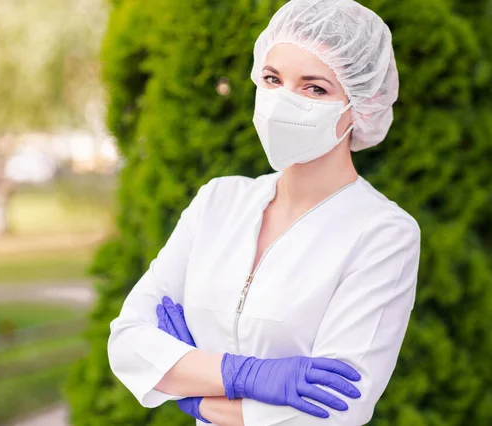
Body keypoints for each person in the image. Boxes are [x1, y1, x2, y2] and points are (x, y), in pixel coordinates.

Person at [107, 0, 421, 425]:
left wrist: (196, 396)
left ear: (361, 106)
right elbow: (127, 342)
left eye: (315, 88)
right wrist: (245, 376)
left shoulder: (383, 233)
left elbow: (336, 410)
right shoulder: (218, 202)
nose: (282, 102)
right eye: (272, 79)